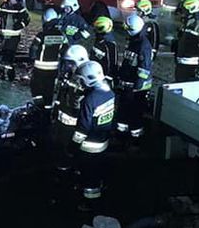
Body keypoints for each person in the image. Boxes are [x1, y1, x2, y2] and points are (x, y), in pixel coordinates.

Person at [72, 60, 116, 202]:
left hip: (88, 146)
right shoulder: (110, 93)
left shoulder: (89, 100)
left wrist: (72, 146)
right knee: (97, 171)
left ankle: (87, 203)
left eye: (82, 80)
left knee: (88, 176)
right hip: (103, 142)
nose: (80, 84)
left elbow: (82, 129)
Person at [116, 14, 153, 141]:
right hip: (129, 85)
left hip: (136, 89)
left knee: (134, 115)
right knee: (124, 112)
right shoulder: (134, 41)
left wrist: (138, 85)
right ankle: (122, 136)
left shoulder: (143, 45)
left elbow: (144, 68)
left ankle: (135, 140)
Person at [53, 45, 89, 171]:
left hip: (71, 127)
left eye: (71, 64)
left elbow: (78, 106)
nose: (68, 66)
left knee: (68, 154)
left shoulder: (85, 81)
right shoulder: (69, 76)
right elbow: (61, 96)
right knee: (59, 150)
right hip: (61, 123)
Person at [28, 8, 66, 107]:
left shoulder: (41, 35)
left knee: (36, 89)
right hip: (53, 70)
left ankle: (39, 108)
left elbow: (33, 49)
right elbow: (65, 52)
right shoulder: (61, 36)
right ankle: (47, 111)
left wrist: (30, 62)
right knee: (49, 91)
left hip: (39, 69)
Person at [0, 0, 30, 78]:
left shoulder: (20, 8)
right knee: (4, 54)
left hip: (14, 36)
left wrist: (20, 25)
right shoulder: (3, 6)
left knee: (9, 55)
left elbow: (27, 19)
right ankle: (3, 72)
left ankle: (10, 74)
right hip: (4, 35)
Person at [174, 0, 199, 82]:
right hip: (182, 60)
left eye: (184, 10)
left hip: (191, 63)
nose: (183, 12)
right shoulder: (188, 22)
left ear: (191, 9)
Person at [91, 16, 118, 86]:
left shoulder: (110, 45)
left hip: (103, 78)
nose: (95, 30)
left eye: (98, 28)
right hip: (95, 73)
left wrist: (108, 78)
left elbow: (112, 63)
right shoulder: (99, 40)